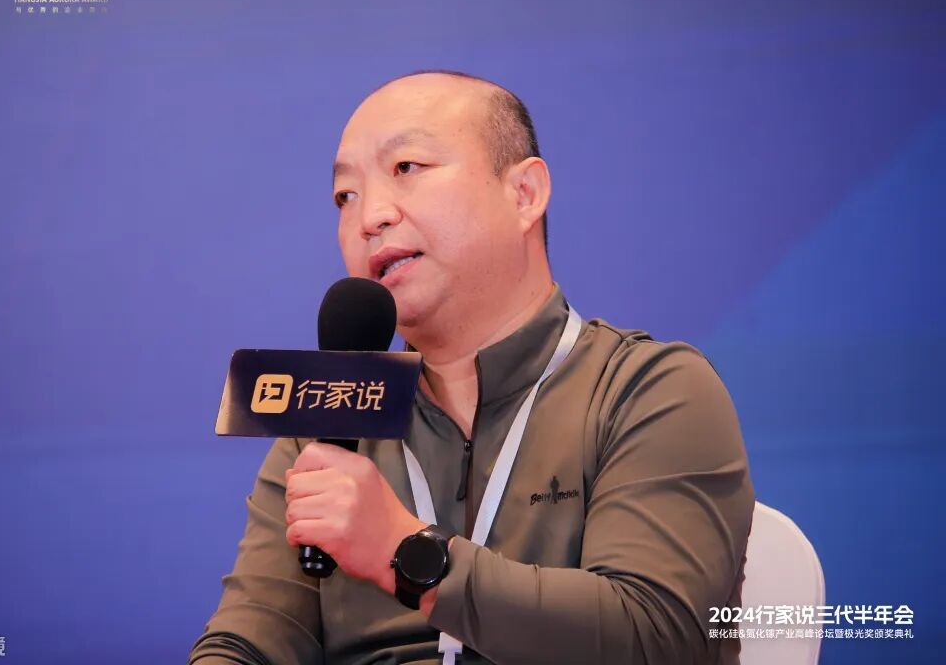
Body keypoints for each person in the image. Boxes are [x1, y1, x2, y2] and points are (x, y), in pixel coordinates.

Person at [189, 71, 755, 665]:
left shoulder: (647, 390)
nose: (369, 217)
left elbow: (657, 634)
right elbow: (247, 642)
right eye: (345, 196)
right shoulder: (329, 425)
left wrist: (402, 551)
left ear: (524, 194)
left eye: (406, 167)